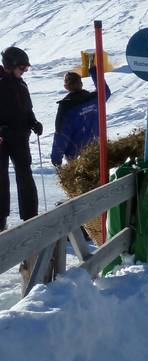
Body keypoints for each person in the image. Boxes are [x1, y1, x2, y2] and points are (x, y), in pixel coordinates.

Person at [0, 46, 42, 232]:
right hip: (2, 139)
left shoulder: (21, 84)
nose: (24, 71)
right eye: (22, 67)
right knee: (1, 178)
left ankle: (30, 216)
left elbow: (27, 109)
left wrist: (34, 122)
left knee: (25, 176)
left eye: (26, 68)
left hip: (20, 137)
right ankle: (0, 220)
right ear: (10, 65)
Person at [51, 69, 112, 167]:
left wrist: (56, 158)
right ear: (81, 83)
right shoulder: (93, 99)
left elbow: (61, 134)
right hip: (97, 149)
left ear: (66, 87)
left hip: (76, 157)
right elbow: (105, 91)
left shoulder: (66, 108)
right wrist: (94, 71)